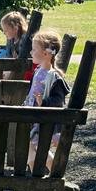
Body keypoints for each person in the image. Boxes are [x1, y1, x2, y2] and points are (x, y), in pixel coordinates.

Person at [24, 30, 70, 171]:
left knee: (39, 151)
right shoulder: (38, 71)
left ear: (46, 53)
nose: (31, 52)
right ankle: (39, 178)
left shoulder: (53, 76)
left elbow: (58, 100)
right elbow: (31, 93)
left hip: (44, 121)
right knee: (31, 152)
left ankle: (55, 174)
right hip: (33, 119)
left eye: (34, 50)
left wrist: (43, 103)